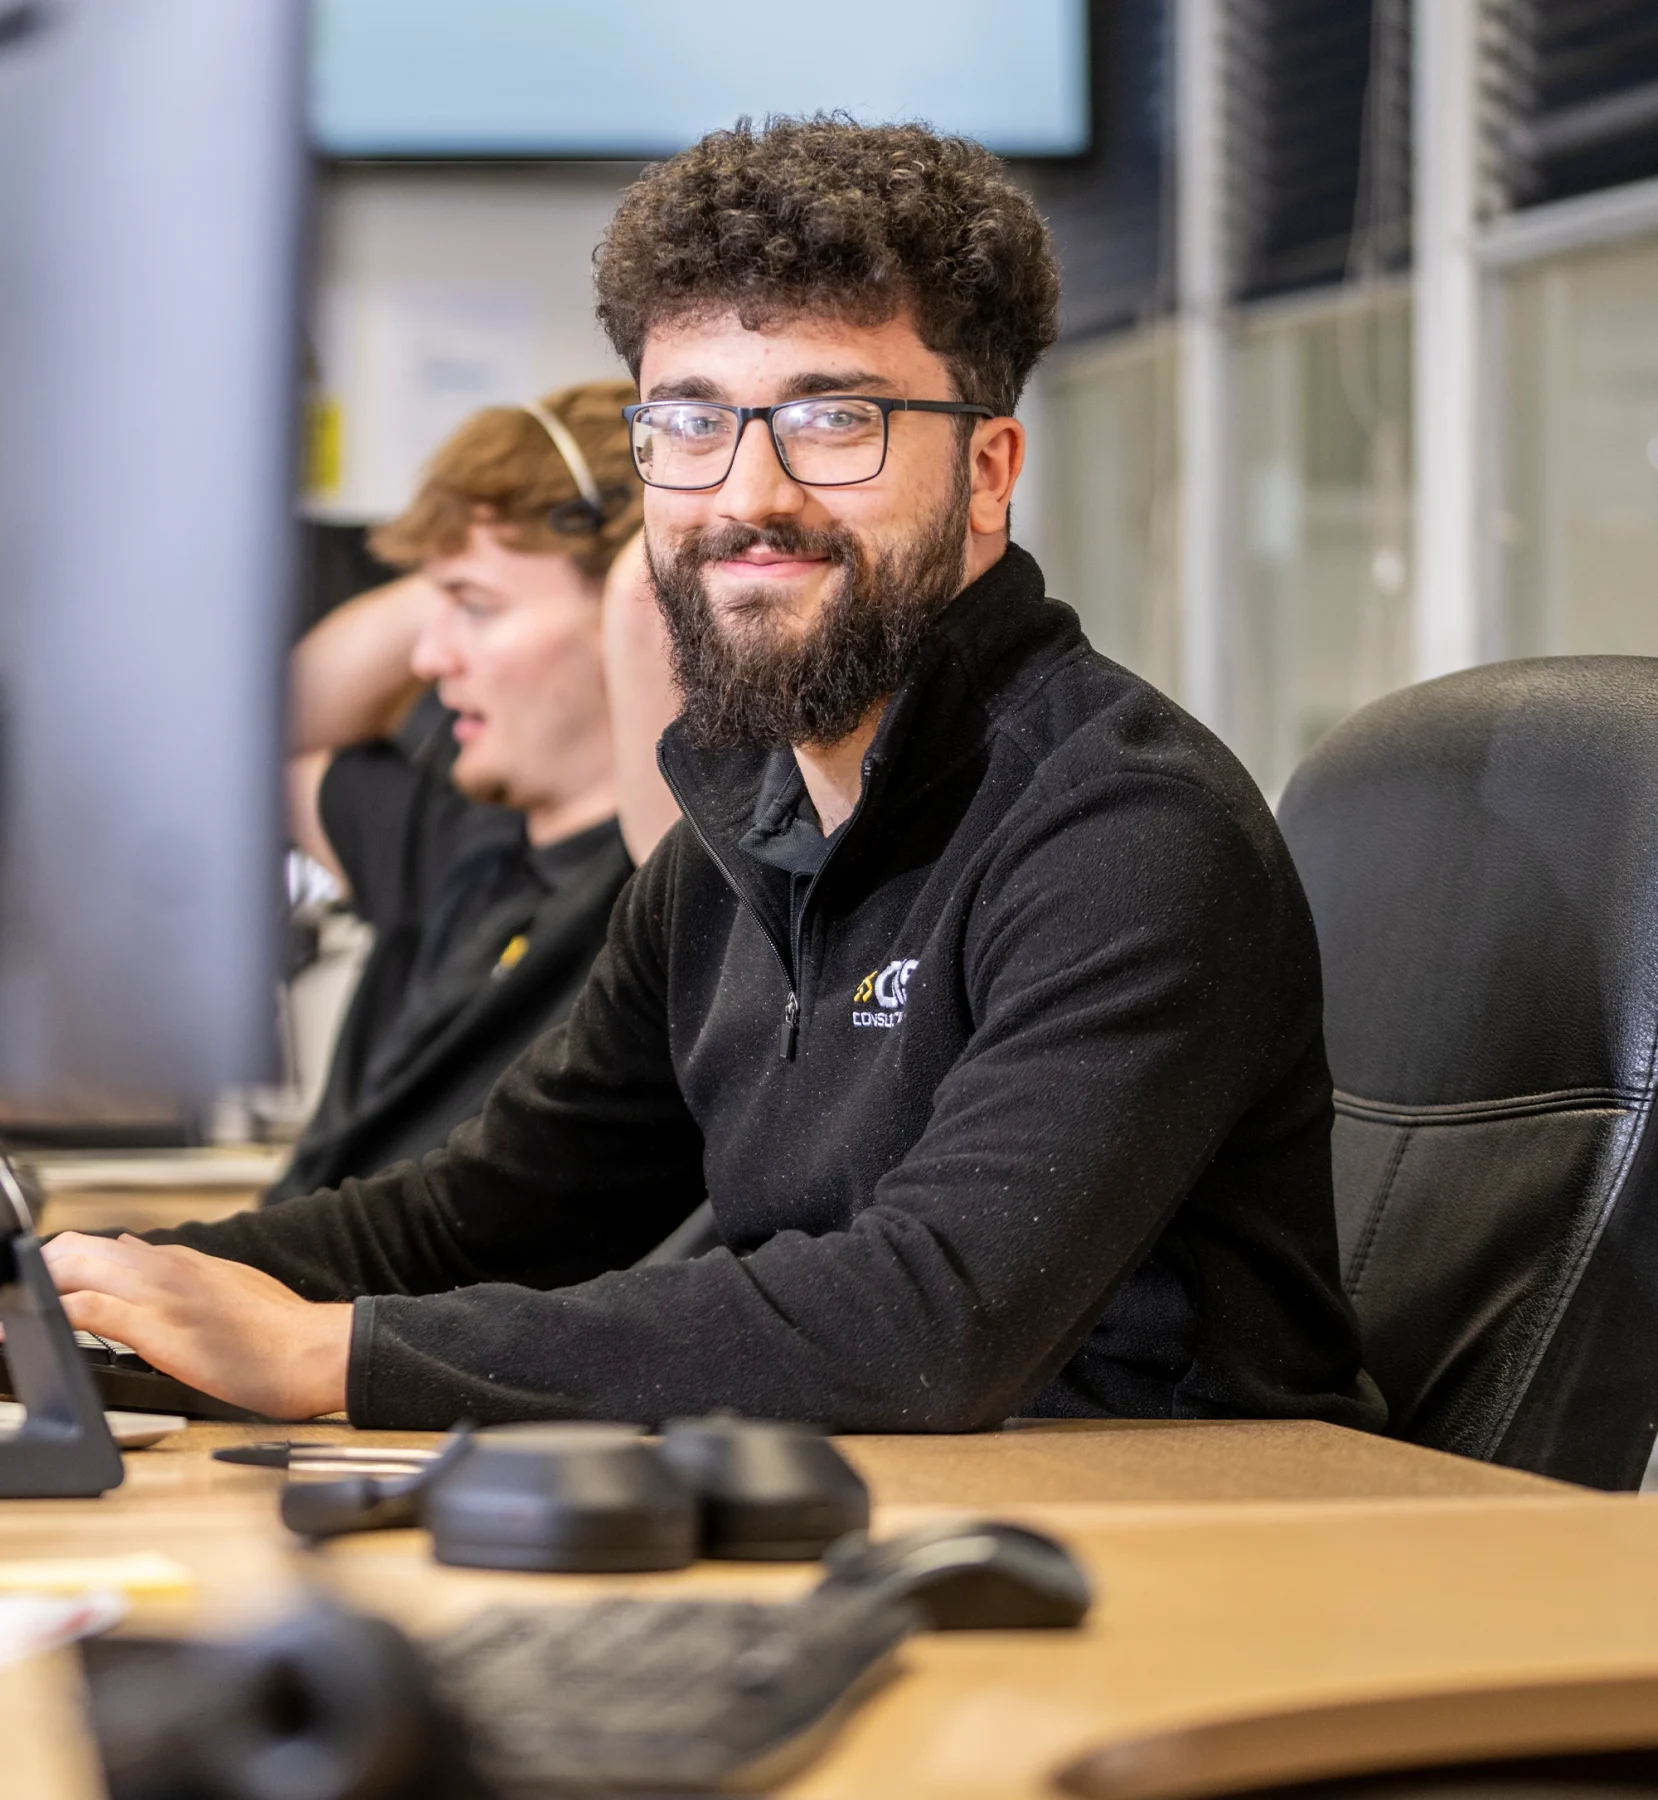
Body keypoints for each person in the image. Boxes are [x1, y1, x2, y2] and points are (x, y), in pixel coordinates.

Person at [46, 118, 1385, 1436]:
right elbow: (490, 1212)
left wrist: (334, 1354)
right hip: (892, 1518)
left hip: (1177, 1539)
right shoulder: (735, 846)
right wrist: (80, 1295)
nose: (750, 491)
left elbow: (927, 1321)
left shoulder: (1122, 827)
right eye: (689, 421)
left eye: (832, 416)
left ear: (986, 472)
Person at [271, 379, 658, 1204]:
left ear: (640, 599)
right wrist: (466, 540)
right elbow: (275, 740)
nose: (428, 657)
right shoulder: (458, 830)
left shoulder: (673, 897)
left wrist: (634, 558)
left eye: (474, 608)